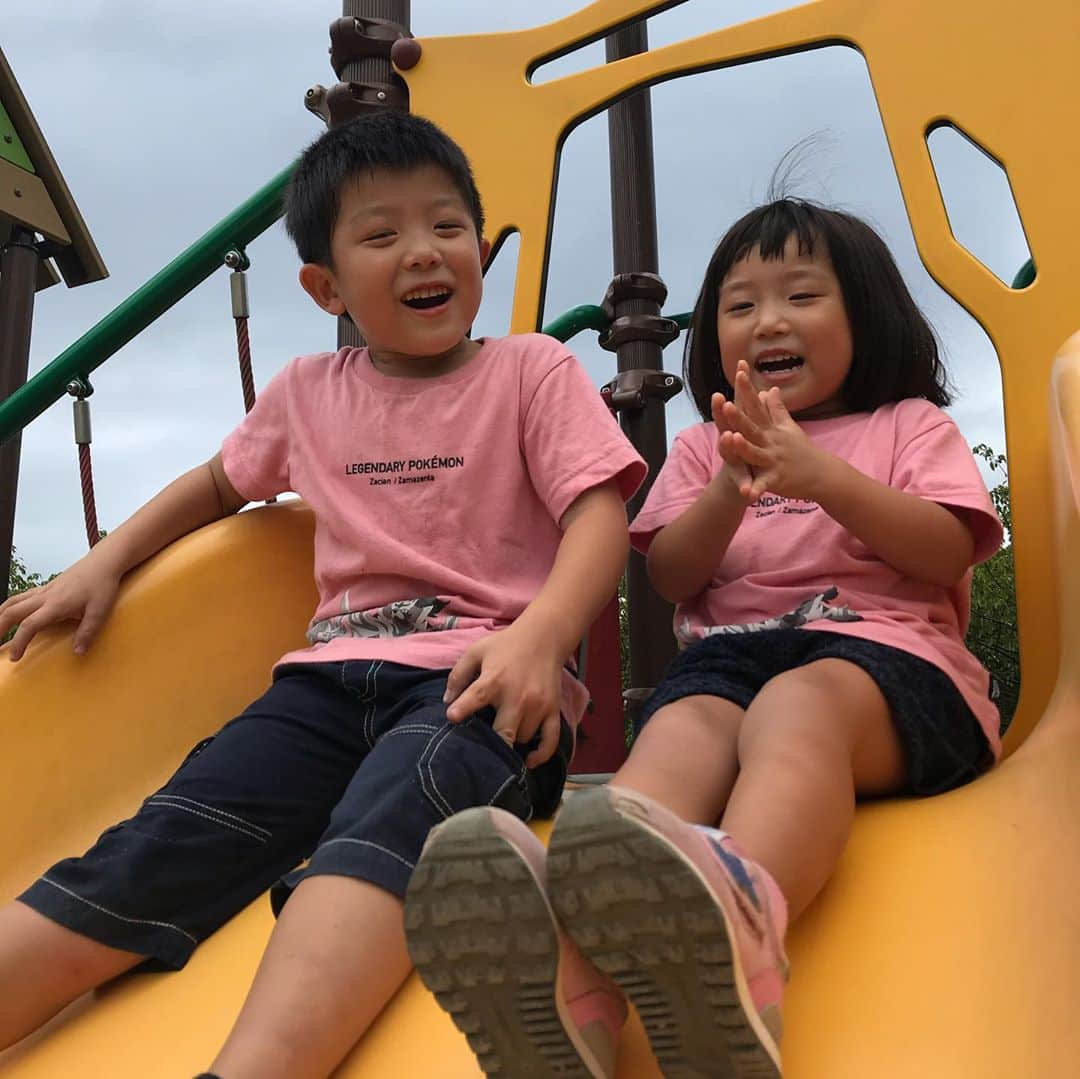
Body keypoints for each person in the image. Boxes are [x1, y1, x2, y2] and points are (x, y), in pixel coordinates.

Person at [0, 111, 647, 1079]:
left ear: (477, 243)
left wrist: (541, 636)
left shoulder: (530, 370)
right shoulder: (308, 391)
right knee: (168, 832)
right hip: (322, 686)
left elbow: (599, 510)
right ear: (325, 284)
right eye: (382, 235)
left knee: (395, 812)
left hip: (482, 682)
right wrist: (106, 560)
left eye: (446, 226)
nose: (423, 252)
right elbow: (216, 486)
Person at [405, 198, 1004, 1078]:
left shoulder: (907, 426)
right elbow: (675, 575)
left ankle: (744, 912)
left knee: (797, 707)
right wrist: (733, 484)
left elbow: (947, 545)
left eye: (801, 296)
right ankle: (581, 983)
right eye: (739, 304)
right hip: (732, 660)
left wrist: (820, 475)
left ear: (867, 315)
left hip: (892, 666)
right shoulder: (700, 451)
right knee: (672, 743)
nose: (768, 322)